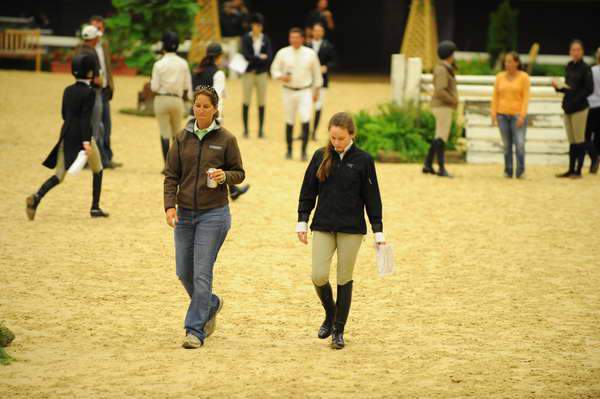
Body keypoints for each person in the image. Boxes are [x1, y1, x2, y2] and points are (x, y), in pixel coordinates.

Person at [164, 86, 245, 349]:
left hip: (214, 215)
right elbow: (171, 176)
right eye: (197, 105)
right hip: (185, 214)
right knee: (183, 271)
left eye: (206, 106)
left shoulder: (226, 139)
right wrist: (169, 206)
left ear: (215, 109)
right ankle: (211, 303)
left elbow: (239, 172)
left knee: (201, 273)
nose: (201, 110)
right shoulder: (181, 138)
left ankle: (194, 330)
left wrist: (225, 176)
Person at [297, 112, 385, 350]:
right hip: (323, 225)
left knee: (344, 278)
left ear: (352, 135)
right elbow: (308, 191)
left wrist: (378, 231)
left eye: (341, 139)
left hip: (351, 229)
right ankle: (330, 312)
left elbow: (372, 198)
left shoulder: (364, 161)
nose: (336, 143)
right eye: (333, 138)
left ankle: (338, 330)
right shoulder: (319, 156)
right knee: (318, 275)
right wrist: (302, 220)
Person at [25, 54, 109, 220]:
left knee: (59, 175)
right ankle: (94, 207)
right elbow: (86, 118)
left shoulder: (68, 90)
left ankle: (36, 197)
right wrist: (86, 141)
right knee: (98, 169)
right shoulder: (89, 92)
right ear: (90, 73)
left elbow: (64, 114)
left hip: (67, 134)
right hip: (83, 136)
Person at [192, 42, 250, 200]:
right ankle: (231, 188)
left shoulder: (197, 70)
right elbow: (215, 97)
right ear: (219, 57)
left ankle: (232, 189)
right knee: (218, 153)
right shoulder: (218, 74)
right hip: (211, 116)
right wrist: (218, 116)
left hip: (195, 114)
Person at [271, 27, 323, 161]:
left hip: (305, 90)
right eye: (291, 37)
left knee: (306, 119)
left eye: (296, 37)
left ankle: (304, 151)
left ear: (302, 39)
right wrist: (281, 77)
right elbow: (273, 69)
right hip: (288, 90)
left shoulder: (310, 53)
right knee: (289, 119)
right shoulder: (283, 53)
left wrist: (316, 90)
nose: (294, 40)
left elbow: (317, 74)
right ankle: (289, 150)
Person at [151, 31, 193, 173]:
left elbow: (154, 87)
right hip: (177, 100)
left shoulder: (159, 64)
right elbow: (188, 86)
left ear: (163, 46)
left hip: (162, 99)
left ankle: (166, 166)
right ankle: (177, 166)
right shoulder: (183, 63)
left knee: (164, 133)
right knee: (177, 134)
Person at [553, 40, 594, 178]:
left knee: (579, 140)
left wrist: (576, 98)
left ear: (582, 52)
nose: (575, 52)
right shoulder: (569, 66)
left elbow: (589, 89)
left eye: (578, 50)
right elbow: (568, 87)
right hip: (568, 107)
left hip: (580, 108)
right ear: (570, 52)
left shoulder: (585, 68)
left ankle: (578, 170)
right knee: (571, 140)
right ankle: (571, 169)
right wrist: (559, 88)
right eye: (573, 50)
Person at [491, 52, 531, 179]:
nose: (507, 64)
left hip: (517, 115)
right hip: (502, 115)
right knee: (506, 145)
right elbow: (495, 96)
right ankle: (508, 170)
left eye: (509, 61)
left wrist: (522, 115)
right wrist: (493, 113)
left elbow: (526, 97)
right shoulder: (499, 77)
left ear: (516, 63)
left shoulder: (524, 77)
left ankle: (520, 171)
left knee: (519, 144)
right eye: (506, 62)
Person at [90, 15, 122, 169]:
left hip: (104, 90)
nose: (97, 31)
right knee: (96, 127)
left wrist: (110, 85)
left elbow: (107, 67)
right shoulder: (86, 48)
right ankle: (97, 159)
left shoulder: (104, 45)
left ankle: (107, 157)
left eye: (99, 28)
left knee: (106, 125)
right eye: (95, 28)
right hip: (92, 90)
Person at [422, 40, 458, 178]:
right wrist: (453, 100)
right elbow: (441, 90)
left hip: (441, 106)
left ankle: (428, 164)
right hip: (443, 106)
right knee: (442, 137)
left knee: (439, 135)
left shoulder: (443, 68)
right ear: (450, 54)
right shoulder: (443, 69)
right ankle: (441, 167)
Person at [74, 25, 105, 169]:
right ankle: (87, 161)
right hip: (94, 92)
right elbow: (97, 78)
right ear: (94, 38)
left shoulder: (78, 50)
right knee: (94, 128)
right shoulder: (93, 53)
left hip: (78, 90)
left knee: (82, 123)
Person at [240, 12, 273, 138]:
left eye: (259, 25)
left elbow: (269, 57)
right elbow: (245, 55)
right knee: (246, 100)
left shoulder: (265, 39)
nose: (257, 28)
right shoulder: (245, 38)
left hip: (261, 74)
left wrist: (254, 59)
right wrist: (260, 57)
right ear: (251, 26)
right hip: (248, 73)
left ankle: (260, 129)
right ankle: (246, 129)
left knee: (261, 101)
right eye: (255, 25)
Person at [306, 22, 337, 141]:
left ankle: (314, 132)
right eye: (315, 30)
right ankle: (306, 130)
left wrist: (326, 67)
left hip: (322, 81)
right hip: (308, 81)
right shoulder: (307, 46)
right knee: (306, 106)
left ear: (323, 32)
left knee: (318, 106)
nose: (317, 33)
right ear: (312, 32)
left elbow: (335, 62)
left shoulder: (328, 46)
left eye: (320, 31)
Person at [219, 0, 250, 77]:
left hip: (234, 39)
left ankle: (234, 75)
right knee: (223, 57)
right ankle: (224, 73)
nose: (228, 9)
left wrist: (242, 14)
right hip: (223, 39)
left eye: (230, 7)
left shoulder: (237, 15)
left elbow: (243, 25)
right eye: (226, 7)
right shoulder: (221, 16)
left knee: (234, 57)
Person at [585, 47, 600, 174]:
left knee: (586, 136)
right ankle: (595, 160)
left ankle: (594, 158)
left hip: (591, 105)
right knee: (598, 136)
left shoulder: (591, 70)